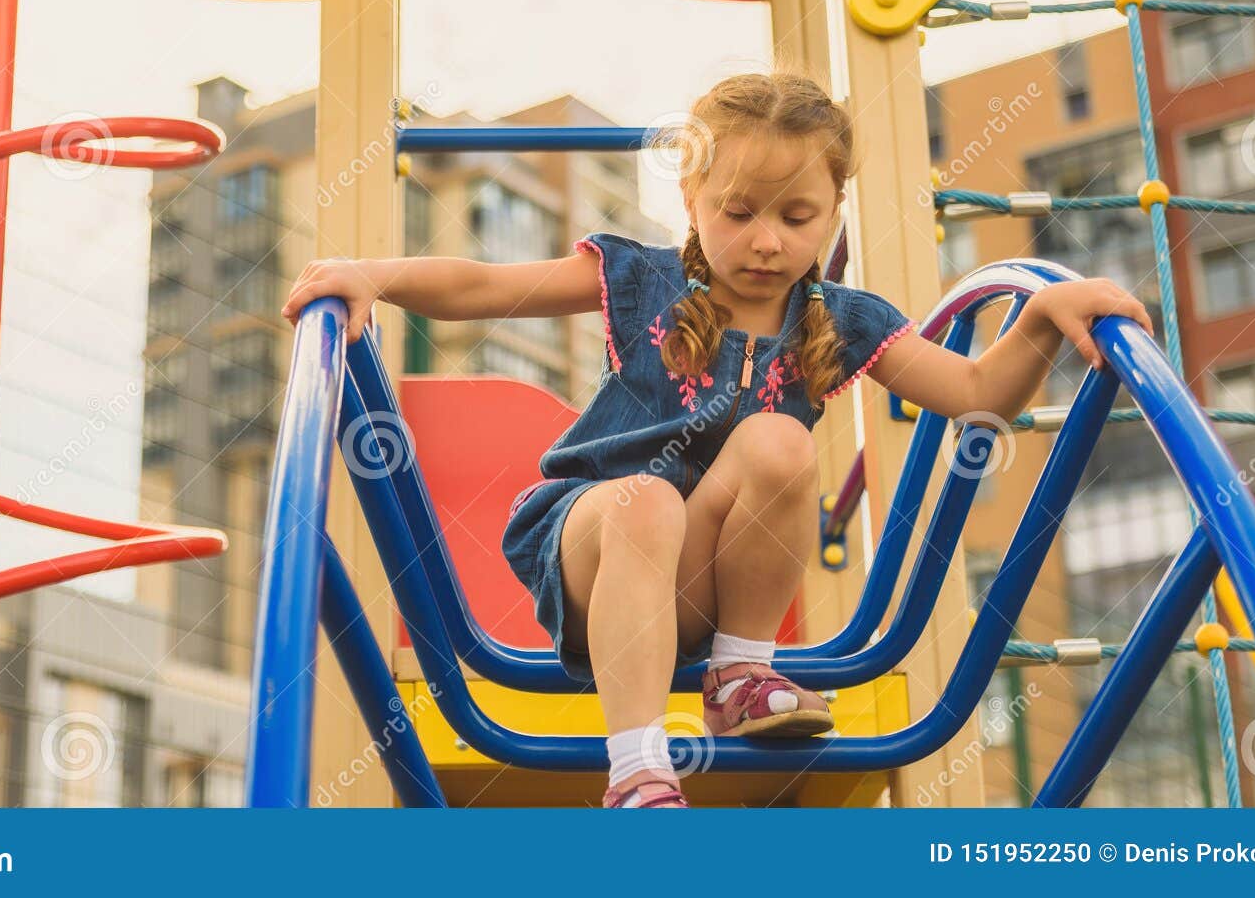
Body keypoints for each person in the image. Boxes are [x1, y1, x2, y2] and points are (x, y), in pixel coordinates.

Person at [281, 71, 1153, 809]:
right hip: (592, 547)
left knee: (781, 440)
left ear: (834, 212)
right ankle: (639, 771)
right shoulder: (642, 277)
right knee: (648, 496)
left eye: (799, 216)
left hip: (696, 578)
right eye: (737, 211)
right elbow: (482, 285)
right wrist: (371, 276)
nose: (768, 240)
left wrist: (1041, 317)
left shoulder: (845, 322)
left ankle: (740, 676)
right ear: (691, 199)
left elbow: (975, 394)